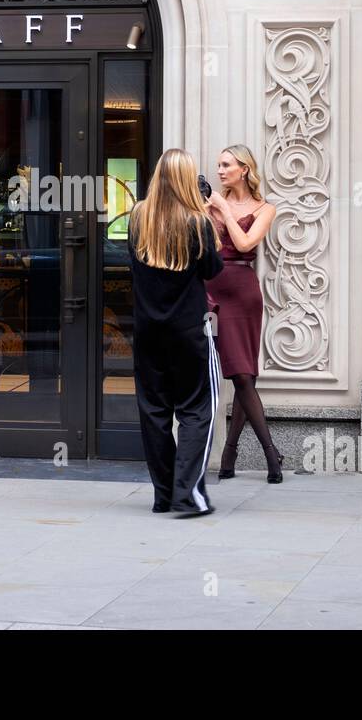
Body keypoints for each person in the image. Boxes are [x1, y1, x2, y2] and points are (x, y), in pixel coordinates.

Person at [127, 148, 224, 516]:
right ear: (188, 181)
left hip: (147, 330)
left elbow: (133, 264)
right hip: (189, 330)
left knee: (154, 410)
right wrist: (206, 215)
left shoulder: (138, 217)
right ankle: (188, 495)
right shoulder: (196, 223)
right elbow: (214, 269)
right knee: (198, 409)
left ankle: (164, 494)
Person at [204, 144, 284, 483]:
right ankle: (233, 453)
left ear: (244, 169)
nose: (220, 171)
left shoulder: (266, 208)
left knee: (242, 374)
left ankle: (267, 454)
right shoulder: (209, 206)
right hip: (210, 289)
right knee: (240, 375)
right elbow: (206, 246)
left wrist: (223, 207)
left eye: (227, 165)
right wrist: (209, 209)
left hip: (243, 291)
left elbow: (246, 243)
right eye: (219, 165)